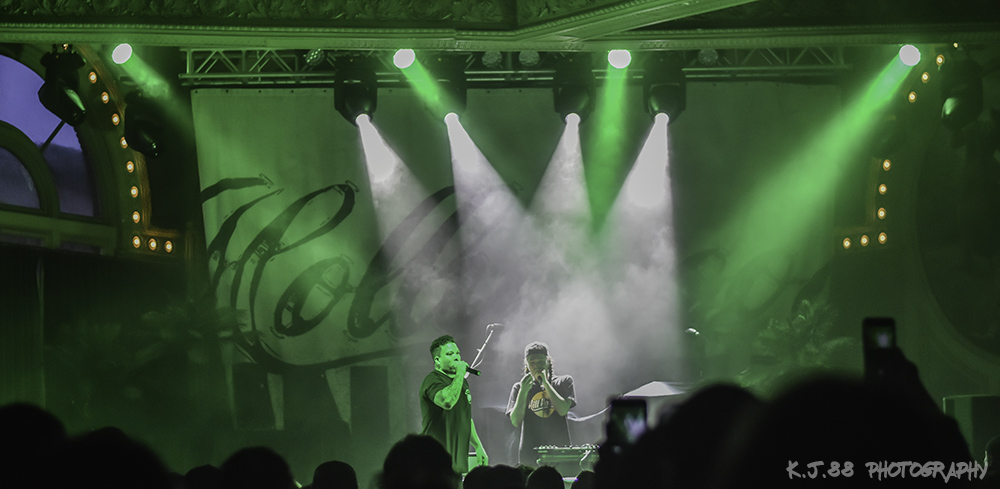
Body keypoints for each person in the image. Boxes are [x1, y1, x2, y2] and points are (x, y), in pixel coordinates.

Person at [420, 335, 489, 475]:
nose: (457, 358)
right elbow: (447, 401)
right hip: (434, 463)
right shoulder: (432, 379)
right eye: (450, 354)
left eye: (457, 353)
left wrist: (478, 446)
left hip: (457, 464)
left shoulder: (462, 383)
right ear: (437, 361)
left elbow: (466, 417)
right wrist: (460, 374)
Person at [506, 341, 576, 465]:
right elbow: (515, 421)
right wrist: (523, 392)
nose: (536, 366)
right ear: (526, 364)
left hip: (560, 453)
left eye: (540, 362)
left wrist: (546, 384)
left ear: (548, 361)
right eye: (532, 363)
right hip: (530, 454)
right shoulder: (519, 387)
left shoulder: (564, 381)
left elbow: (563, 410)